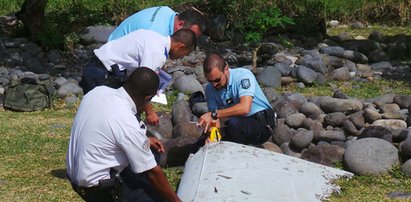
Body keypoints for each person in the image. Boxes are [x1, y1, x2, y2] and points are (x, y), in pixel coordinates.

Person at [66, 67, 182, 202]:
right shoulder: (126, 121)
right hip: (98, 189)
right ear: (147, 98)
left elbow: (108, 129)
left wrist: (144, 139)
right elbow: (152, 173)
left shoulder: (97, 92)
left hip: (76, 176)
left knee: (146, 161)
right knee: (158, 197)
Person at [79, 28, 196, 126]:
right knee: (105, 119)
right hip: (103, 74)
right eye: (184, 54)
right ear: (180, 46)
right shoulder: (157, 53)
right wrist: (150, 113)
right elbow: (142, 86)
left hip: (94, 66)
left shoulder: (152, 35)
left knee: (94, 115)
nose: (181, 58)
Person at [193, 53, 277, 152]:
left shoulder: (243, 76)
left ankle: (240, 155)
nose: (214, 85)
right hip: (239, 125)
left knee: (234, 124)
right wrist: (212, 138)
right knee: (200, 145)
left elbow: (245, 108)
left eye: (217, 80)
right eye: (210, 81)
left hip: (262, 125)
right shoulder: (210, 89)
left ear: (226, 69)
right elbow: (214, 120)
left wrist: (215, 114)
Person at [108, 6, 206, 41]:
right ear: (180, 24)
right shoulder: (157, 33)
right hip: (112, 61)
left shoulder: (167, 11)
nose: (191, 41)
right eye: (191, 35)